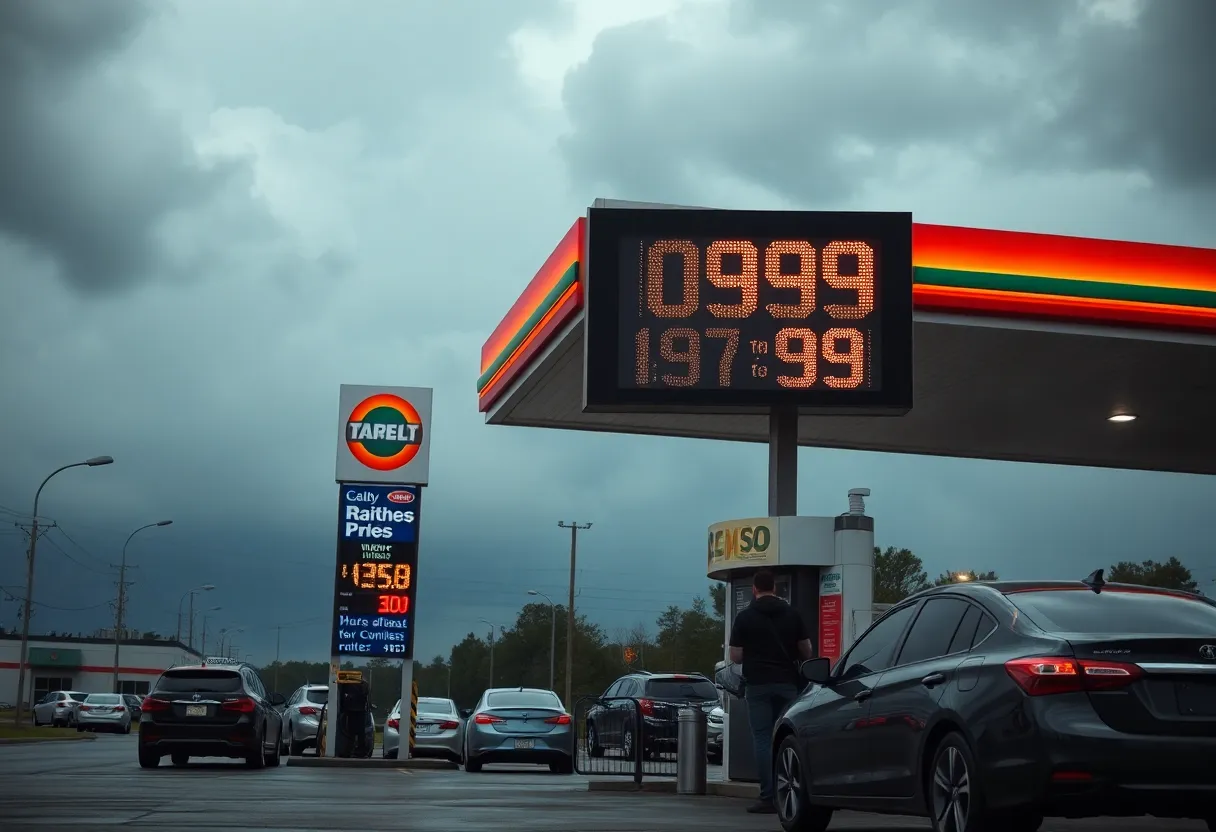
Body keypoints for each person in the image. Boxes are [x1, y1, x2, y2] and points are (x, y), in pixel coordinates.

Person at [728, 568, 814, 814]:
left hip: (757, 686)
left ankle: (768, 796)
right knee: (787, 737)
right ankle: (790, 789)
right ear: (774, 588)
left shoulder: (745, 617)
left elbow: (735, 656)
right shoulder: (792, 614)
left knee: (763, 739)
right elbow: (807, 651)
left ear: (755, 589)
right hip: (787, 684)